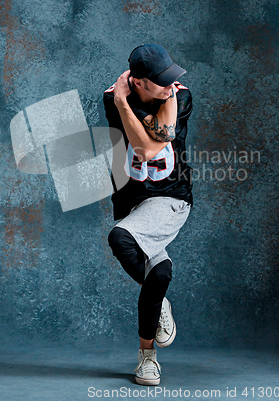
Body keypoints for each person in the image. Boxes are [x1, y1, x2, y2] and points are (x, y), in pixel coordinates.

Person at [103, 44, 193, 386]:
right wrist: (123, 104)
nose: (171, 84)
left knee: (119, 237)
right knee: (159, 276)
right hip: (132, 202)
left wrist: (125, 103)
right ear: (138, 82)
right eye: (161, 81)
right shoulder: (110, 99)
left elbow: (151, 146)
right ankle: (147, 356)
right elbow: (136, 143)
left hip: (171, 198)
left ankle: (148, 350)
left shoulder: (181, 97)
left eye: (171, 78)